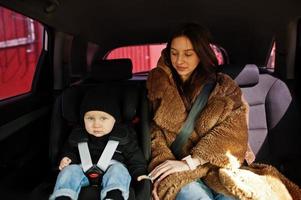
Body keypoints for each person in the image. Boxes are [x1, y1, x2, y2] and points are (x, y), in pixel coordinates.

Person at [147, 23, 301, 200]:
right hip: (179, 170)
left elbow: (233, 133)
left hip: (219, 168)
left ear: (201, 54)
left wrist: (191, 162)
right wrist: (165, 167)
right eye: (174, 53)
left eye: (188, 54)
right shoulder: (158, 88)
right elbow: (154, 133)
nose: (179, 60)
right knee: (192, 195)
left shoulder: (223, 86)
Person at [49, 86, 149, 200]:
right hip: (82, 173)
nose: (96, 124)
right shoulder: (77, 135)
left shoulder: (124, 137)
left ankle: (114, 196)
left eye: (103, 119)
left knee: (119, 171)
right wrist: (67, 158)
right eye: (90, 118)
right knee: (69, 172)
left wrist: (139, 173)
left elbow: (135, 158)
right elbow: (69, 151)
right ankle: (63, 196)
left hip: (112, 172)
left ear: (115, 119)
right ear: (83, 119)